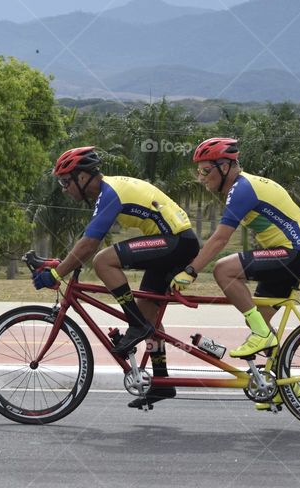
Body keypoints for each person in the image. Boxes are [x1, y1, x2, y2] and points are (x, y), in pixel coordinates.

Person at [31, 146, 199, 408]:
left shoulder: (109, 194)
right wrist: (61, 264)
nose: (64, 189)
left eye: (66, 182)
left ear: (83, 177)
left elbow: (89, 245)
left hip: (176, 242)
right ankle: (162, 382)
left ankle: (136, 326)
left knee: (103, 260)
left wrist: (55, 273)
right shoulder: (106, 192)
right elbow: (87, 239)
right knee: (149, 316)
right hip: (174, 243)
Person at [170, 137, 300, 361]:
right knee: (258, 318)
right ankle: (284, 388)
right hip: (297, 253)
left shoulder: (242, 189)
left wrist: (191, 271)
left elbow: (220, 239)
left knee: (223, 270)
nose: (200, 178)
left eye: (204, 170)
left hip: (294, 252)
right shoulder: (245, 185)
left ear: (224, 167)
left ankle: (262, 335)